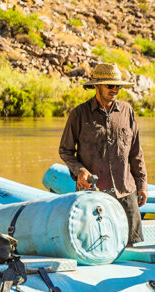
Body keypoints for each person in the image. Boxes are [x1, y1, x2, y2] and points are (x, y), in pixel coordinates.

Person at [59, 62, 147, 246]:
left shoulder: (127, 111)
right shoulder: (79, 114)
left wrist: (142, 185)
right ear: (97, 86)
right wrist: (79, 170)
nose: (115, 89)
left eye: (118, 86)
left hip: (126, 192)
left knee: (134, 246)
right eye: (110, 85)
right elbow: (65, 151)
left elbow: (136, 152)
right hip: (92, 195)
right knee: (91, 246)